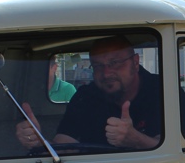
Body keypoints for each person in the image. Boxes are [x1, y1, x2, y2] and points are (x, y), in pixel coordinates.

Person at [17, 35, 161, 150]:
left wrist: (135, 139)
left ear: (135, 63)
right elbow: (65, 147)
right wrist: (39, 143)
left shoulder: (162, 91)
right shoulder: (85, 97)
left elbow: (177, 148)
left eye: (114, 63)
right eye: (98, 66)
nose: (106, 73)